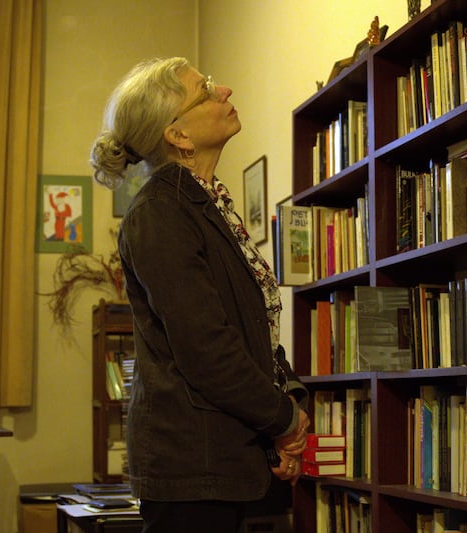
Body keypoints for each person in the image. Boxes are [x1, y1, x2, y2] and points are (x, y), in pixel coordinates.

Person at [89, 57, 310, 532]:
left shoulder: (208, 204)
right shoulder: (159, 213)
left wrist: (285, 416)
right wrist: (283, 420)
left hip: (225, 459)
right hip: (190, 466)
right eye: (206, 90)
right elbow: (206, 349)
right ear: (178, 136)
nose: (225, 90)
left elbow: (253, 334)